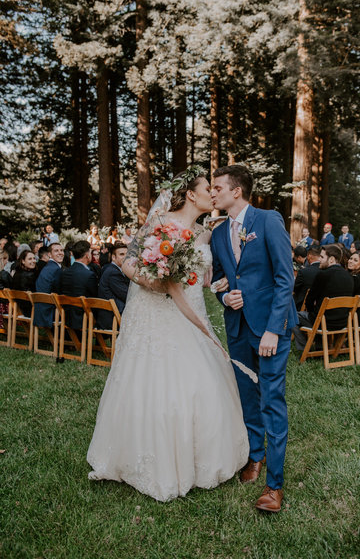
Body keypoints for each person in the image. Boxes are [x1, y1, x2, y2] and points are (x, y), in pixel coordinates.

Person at [87, 165, 249, 502]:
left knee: (200, 381)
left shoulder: (207, 233)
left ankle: (201, 458)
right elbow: (130, 262)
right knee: (150, 381)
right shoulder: (160, 220)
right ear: (192, 194)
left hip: (191, 313)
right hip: (154, 313)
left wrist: (225, 288)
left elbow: (215, 275)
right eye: (209, 189)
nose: (214, 194)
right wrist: (154, 281)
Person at [210, 164, 297, 513]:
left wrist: (274, 329)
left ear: (236, 191)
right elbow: (219, 279)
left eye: (217, 187)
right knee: (248, 395)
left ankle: (273, 485)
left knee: (271, 398)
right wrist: (225, 297)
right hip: (238, 327)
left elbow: (284, 277)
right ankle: (254, 457)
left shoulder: (268, 220)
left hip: (270, 327)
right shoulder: (217, 234)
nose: (212, 192)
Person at [293, 245, 354, 352]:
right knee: (318, 315)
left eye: (322, 257)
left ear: (331, 259)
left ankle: (304, 349)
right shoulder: (349, 276)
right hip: (343, 322)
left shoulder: (323, 274)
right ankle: (320, 347)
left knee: (292, 315)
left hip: (323, 322)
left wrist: (313, 312)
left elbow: (309, 301)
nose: (319, 260)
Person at [60, 241, 98, 329]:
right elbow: (95, 297)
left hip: (66, 315)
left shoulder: (65, 272)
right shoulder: (89, 275)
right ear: (87, 255)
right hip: (84, 317)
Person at [96, 242, 130, 329]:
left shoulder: (114, 269)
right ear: (113, 257)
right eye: (122, 254)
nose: (125, 257)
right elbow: (127, 295)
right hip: (112, 318)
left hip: (115, 313)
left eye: (127, 254)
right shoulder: (113, 272)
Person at [34, 243, 64, 328]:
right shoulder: (56, 269)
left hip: (40, 309)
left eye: (61, 250)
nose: (60, 253)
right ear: (49, 254)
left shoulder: (48, 267)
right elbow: (59, 292)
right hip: (49, 312)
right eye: (56, 251)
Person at [11, 249, 38, 316]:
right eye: (30, 259)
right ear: (23, 261)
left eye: (34, 258)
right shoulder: (30, 275)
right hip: (31, 310)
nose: (33, 261)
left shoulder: (16, 274)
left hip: (19, 309)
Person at [293, 246, 321, 310]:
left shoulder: (303, 272)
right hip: (319, 306)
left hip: (303, 306)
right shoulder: (326, 270)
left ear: (309, 256)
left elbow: (295, 288)